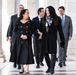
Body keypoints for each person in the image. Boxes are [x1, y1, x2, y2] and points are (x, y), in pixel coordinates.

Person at [38, 6, 65, 74]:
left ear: (51, 11)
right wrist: (39, 33)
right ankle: (49, 67)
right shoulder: (43, 19)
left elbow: (60, 31)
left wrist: (62, 40)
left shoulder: (57, 19)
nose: (47, 12)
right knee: (45, 53)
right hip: (45, 39)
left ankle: (52, 68)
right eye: (46, 11)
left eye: (48, 10)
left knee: (53, 53)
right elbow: (40, 28)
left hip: (52, 38)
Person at [10, 9, 34, 74]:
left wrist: (27, 36)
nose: (28, 14)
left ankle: (27, 69)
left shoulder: (30, 22)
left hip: (27, 40)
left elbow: (32, 31)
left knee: (27, 54)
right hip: (19, 40)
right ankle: (21, 68)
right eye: (27, 13)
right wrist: (20, 35)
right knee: (20, 53)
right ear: (23, 14)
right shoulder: (17, 21)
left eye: (28, 13)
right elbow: (15, 30)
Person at [6, 4, 24, 69]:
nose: (21, 9)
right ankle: (15, 62)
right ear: (17, 9)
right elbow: (10, 26)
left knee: (20, 49)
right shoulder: (13, 17)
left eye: (22, 8)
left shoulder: (25, 17)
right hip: (14, 36)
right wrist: (9, 35)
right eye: (20, 8)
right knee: (13, 49)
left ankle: (19, 63)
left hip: (21, 36)